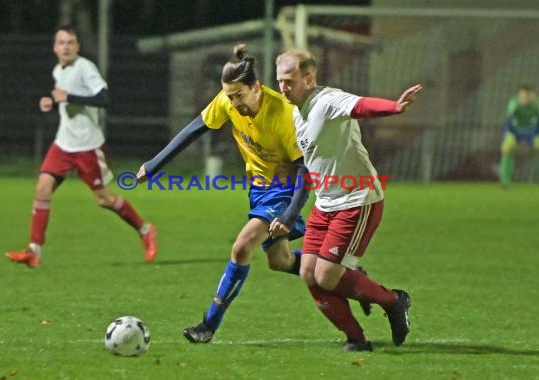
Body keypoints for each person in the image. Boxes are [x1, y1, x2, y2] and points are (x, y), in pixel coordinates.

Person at [137, 44, 312, 343]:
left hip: (285, 188)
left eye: (238, 95)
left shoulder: (283, 115)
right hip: (259, 189)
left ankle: (208, 325)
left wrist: (289, 213)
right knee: (280, 261)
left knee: (241, 247)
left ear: (256, 86)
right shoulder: (228, 101)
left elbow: (304, 170)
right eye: (228, 96)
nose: (232, 102)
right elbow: (194, 128)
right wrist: (154, 164)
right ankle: (343, 275)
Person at [274, 49, 421, 351]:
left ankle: (393, 301)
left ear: (309, 78)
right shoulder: (295, 110)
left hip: (357, 200)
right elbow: (310, 163)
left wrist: (394, 107)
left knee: (326, 276)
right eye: (279, 81)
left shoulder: (327, 100)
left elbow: (362, 106)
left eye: (289, 81)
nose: (283, 88)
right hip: (325, 202)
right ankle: (357, 339)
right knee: (307, 273)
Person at [6, 25, 157, 268]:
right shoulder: (58, 71)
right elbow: (66, 102)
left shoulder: (85, 67)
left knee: (104, 199)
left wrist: (68, 98)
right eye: (61, 42)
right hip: (63, 144)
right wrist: (52, 103)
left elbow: (104, 99)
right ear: (55, 47)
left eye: (71, 42)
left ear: (77, 46)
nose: (66, 46)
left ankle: (145, 229)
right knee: (42, 189)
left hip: (88, 146)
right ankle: (34, 251)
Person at [499, 85, 539, 187]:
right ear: (519, 95)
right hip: (515, 131)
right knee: (506, 149)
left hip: (532, 131)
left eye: (528, 94)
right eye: (523, 94)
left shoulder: (536, 104)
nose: (526, 96)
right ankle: (505, 181)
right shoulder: (514, 103)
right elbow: (509, 116)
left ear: (532, 95)